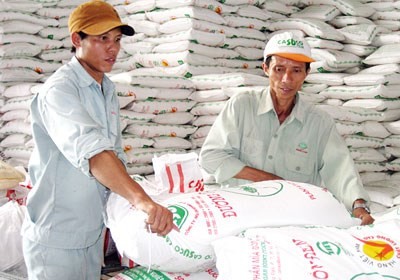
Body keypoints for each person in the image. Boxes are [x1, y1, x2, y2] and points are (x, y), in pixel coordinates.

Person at [21, 1, 176, 279]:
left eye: (116, 39)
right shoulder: (60, 91)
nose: (112, 48)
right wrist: (143, 202)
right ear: (76, 39)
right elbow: (95, 154)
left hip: (91, 232)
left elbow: (114, 155)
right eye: (102, 39)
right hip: (57, 236)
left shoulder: (105, 88)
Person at [199, 31, 374, 226]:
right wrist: (269, 180)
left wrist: (359, 206)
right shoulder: (241, 106)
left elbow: (341, 170)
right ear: (265, 69)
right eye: (279, 69)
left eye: (296, 70)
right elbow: (211, 157)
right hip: (239, 213)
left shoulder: (319, 122)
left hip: (293, 219)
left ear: (306, 74)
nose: (286, 79)